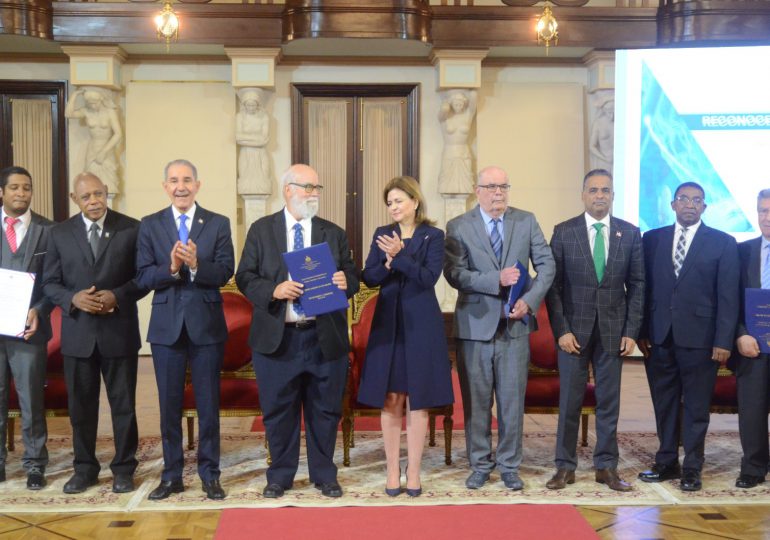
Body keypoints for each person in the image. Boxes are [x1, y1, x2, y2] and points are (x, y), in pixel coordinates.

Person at [235, 164, 358, 499]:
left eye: (317, 187)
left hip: (323, 338)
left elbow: (352, 275)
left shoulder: (332, 232)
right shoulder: (262, 230)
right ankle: (280, 476)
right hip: (278, 339)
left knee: (325, 410)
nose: (314, 193)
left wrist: (347, 282)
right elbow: (244, 276)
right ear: (287, 189)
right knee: (278, 412)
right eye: (307, 187)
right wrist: (273, 291)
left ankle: (324, 474)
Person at [444, 165, 555, 490]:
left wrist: (531, 300)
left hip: (515, 326)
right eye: (491, 187)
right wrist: (496, 279)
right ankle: (480, 464)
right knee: (476, 402)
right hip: (474, 328)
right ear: (477, 191)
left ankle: (509, 466)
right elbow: (455, 274)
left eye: (503, 186)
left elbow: (547, 265)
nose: (498, 193)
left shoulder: (526, 220)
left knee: (511, 403)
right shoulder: (459, 226)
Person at [42, 172, 146, 494]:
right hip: (78, 335)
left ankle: (124, 469)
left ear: (107, 193)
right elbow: (49, 283)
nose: (94, 201)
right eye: (86, 197)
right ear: (76, 200)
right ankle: (84, 469)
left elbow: (144, 277)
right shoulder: (58, 233)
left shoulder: (131, 227)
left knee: (123, 406)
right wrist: (72, 298)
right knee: (81, 408)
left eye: (99, 194)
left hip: (119, 332)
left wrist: (118, 295)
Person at [136, 159, 234, 501]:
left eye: (187, 180)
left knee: (208, 405)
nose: (181, 186)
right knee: (169, 407)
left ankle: (210, 474)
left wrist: (196, 265)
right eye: (174, 180)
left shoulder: (218, 223)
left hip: (206, 327)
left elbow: (224, 271)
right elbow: (144, 277)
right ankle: (172, 474)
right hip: (166, 330)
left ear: (197, 185)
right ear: (165, 186)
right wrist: (173, 267)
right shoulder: (150, 225)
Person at [544, 169, 644, 492]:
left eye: (605, 190)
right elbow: (553, 287)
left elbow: (638, 285)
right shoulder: (564, 232)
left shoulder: (629, 234)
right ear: (583, 194)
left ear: (613, 196)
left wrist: (632, 330)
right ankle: (564, 467)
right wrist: (561, 329)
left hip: (614, 332)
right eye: (593, 190)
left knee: (609, 403)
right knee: (570, 401)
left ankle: (606, 467)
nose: (600, 195)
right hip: (573, 333)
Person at [637, 181, 739, 492]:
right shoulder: (651, 239)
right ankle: (666, 462)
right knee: (664, 404)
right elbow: (643, 289)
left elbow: (728, 297)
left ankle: (692, 467)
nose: (690, 204)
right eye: (683, 199)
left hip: (702, 340)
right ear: (673, 205)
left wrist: (723, 340)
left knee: (696, 408)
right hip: (659, 338)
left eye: (697, 200)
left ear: (705, 207)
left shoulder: (723, 242)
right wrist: (641, 331)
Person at [357, 176, 454, 497]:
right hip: (388, 323)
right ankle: (392, 469)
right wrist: (387, 261)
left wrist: (400, 256)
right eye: (389, 203)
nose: (393, 207)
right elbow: (369, 277)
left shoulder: (433, 235)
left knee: (418, 396)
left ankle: (413, 471)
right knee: (392, 396)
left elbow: (428, 277)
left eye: (398, 201)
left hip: (422, 323)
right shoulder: (382, 235)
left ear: (415, 201)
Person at [0, 166, 53, 490]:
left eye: (27, 188)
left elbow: (54, 282)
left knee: (31, 398)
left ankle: (35, 464)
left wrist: (39, 310)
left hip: (28, 329)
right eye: (15, 188)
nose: (21, 193)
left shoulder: (48, 230)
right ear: (1, 192)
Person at [733, 189, 770, 489]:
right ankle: (754, 467)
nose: (767, 217)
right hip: (752, 346)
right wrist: (741, 334)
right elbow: (729, 300)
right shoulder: (741, 252)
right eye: (762, 211)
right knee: (752, 409)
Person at [65, 87, 123, 194]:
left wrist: (103, 152)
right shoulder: (86, 111)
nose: (93, 106)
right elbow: (68, 114)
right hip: (92, 150)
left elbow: (118, 134)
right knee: (91, 184)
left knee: (109, 186)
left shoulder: (110, 112)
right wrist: (75, 95)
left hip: (107, 150)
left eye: (95, 103)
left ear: (101, 99)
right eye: (90, 103)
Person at [438, 90, 477, 194]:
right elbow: (443, 111)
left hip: (464, 152)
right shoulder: (445, 117)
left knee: (466, 184)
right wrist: (446, 103)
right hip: (449, 151)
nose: (458, 106)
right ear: (451, 104)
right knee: (446, 185)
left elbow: (473, 103)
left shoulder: (468, 116)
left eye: (460, 104)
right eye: (456, 104)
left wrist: (472, 90)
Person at [236, 88, 272, 195]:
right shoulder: (239, 117)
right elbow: (238, 138)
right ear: (244, 105)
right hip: (245, 153)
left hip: (261, 153)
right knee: (244, 179)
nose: (251, 108)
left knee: (264, 177)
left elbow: (264, 139)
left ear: (257, 104)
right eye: (248, 105)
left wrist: (246, 138)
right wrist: (257, 139)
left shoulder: (264, 117)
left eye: (253, 105)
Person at [589, 96, 614, 173]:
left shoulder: (621, 123)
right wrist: (605, 158)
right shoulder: (598, 123)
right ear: (604, 110)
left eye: (614, 112)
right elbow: (591, 146)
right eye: (609, 112)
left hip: (619, 163)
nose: (612, 116)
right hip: (604, 163)